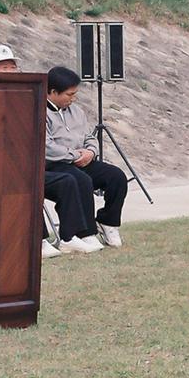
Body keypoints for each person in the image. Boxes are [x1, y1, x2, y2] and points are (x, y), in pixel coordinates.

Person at [45, 66, 127, 248]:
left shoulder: (77, 111)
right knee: (81, 180)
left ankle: (108, 221)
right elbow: (47, 147)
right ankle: (85, 232)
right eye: (69, 94)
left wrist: (91, 152)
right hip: (57, 164)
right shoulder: (40, 112)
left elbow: (89, 137)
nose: (73, 98)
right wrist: (74, 156)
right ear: (52, 92)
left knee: (116, 176)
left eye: (75, 94)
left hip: (82, 159)